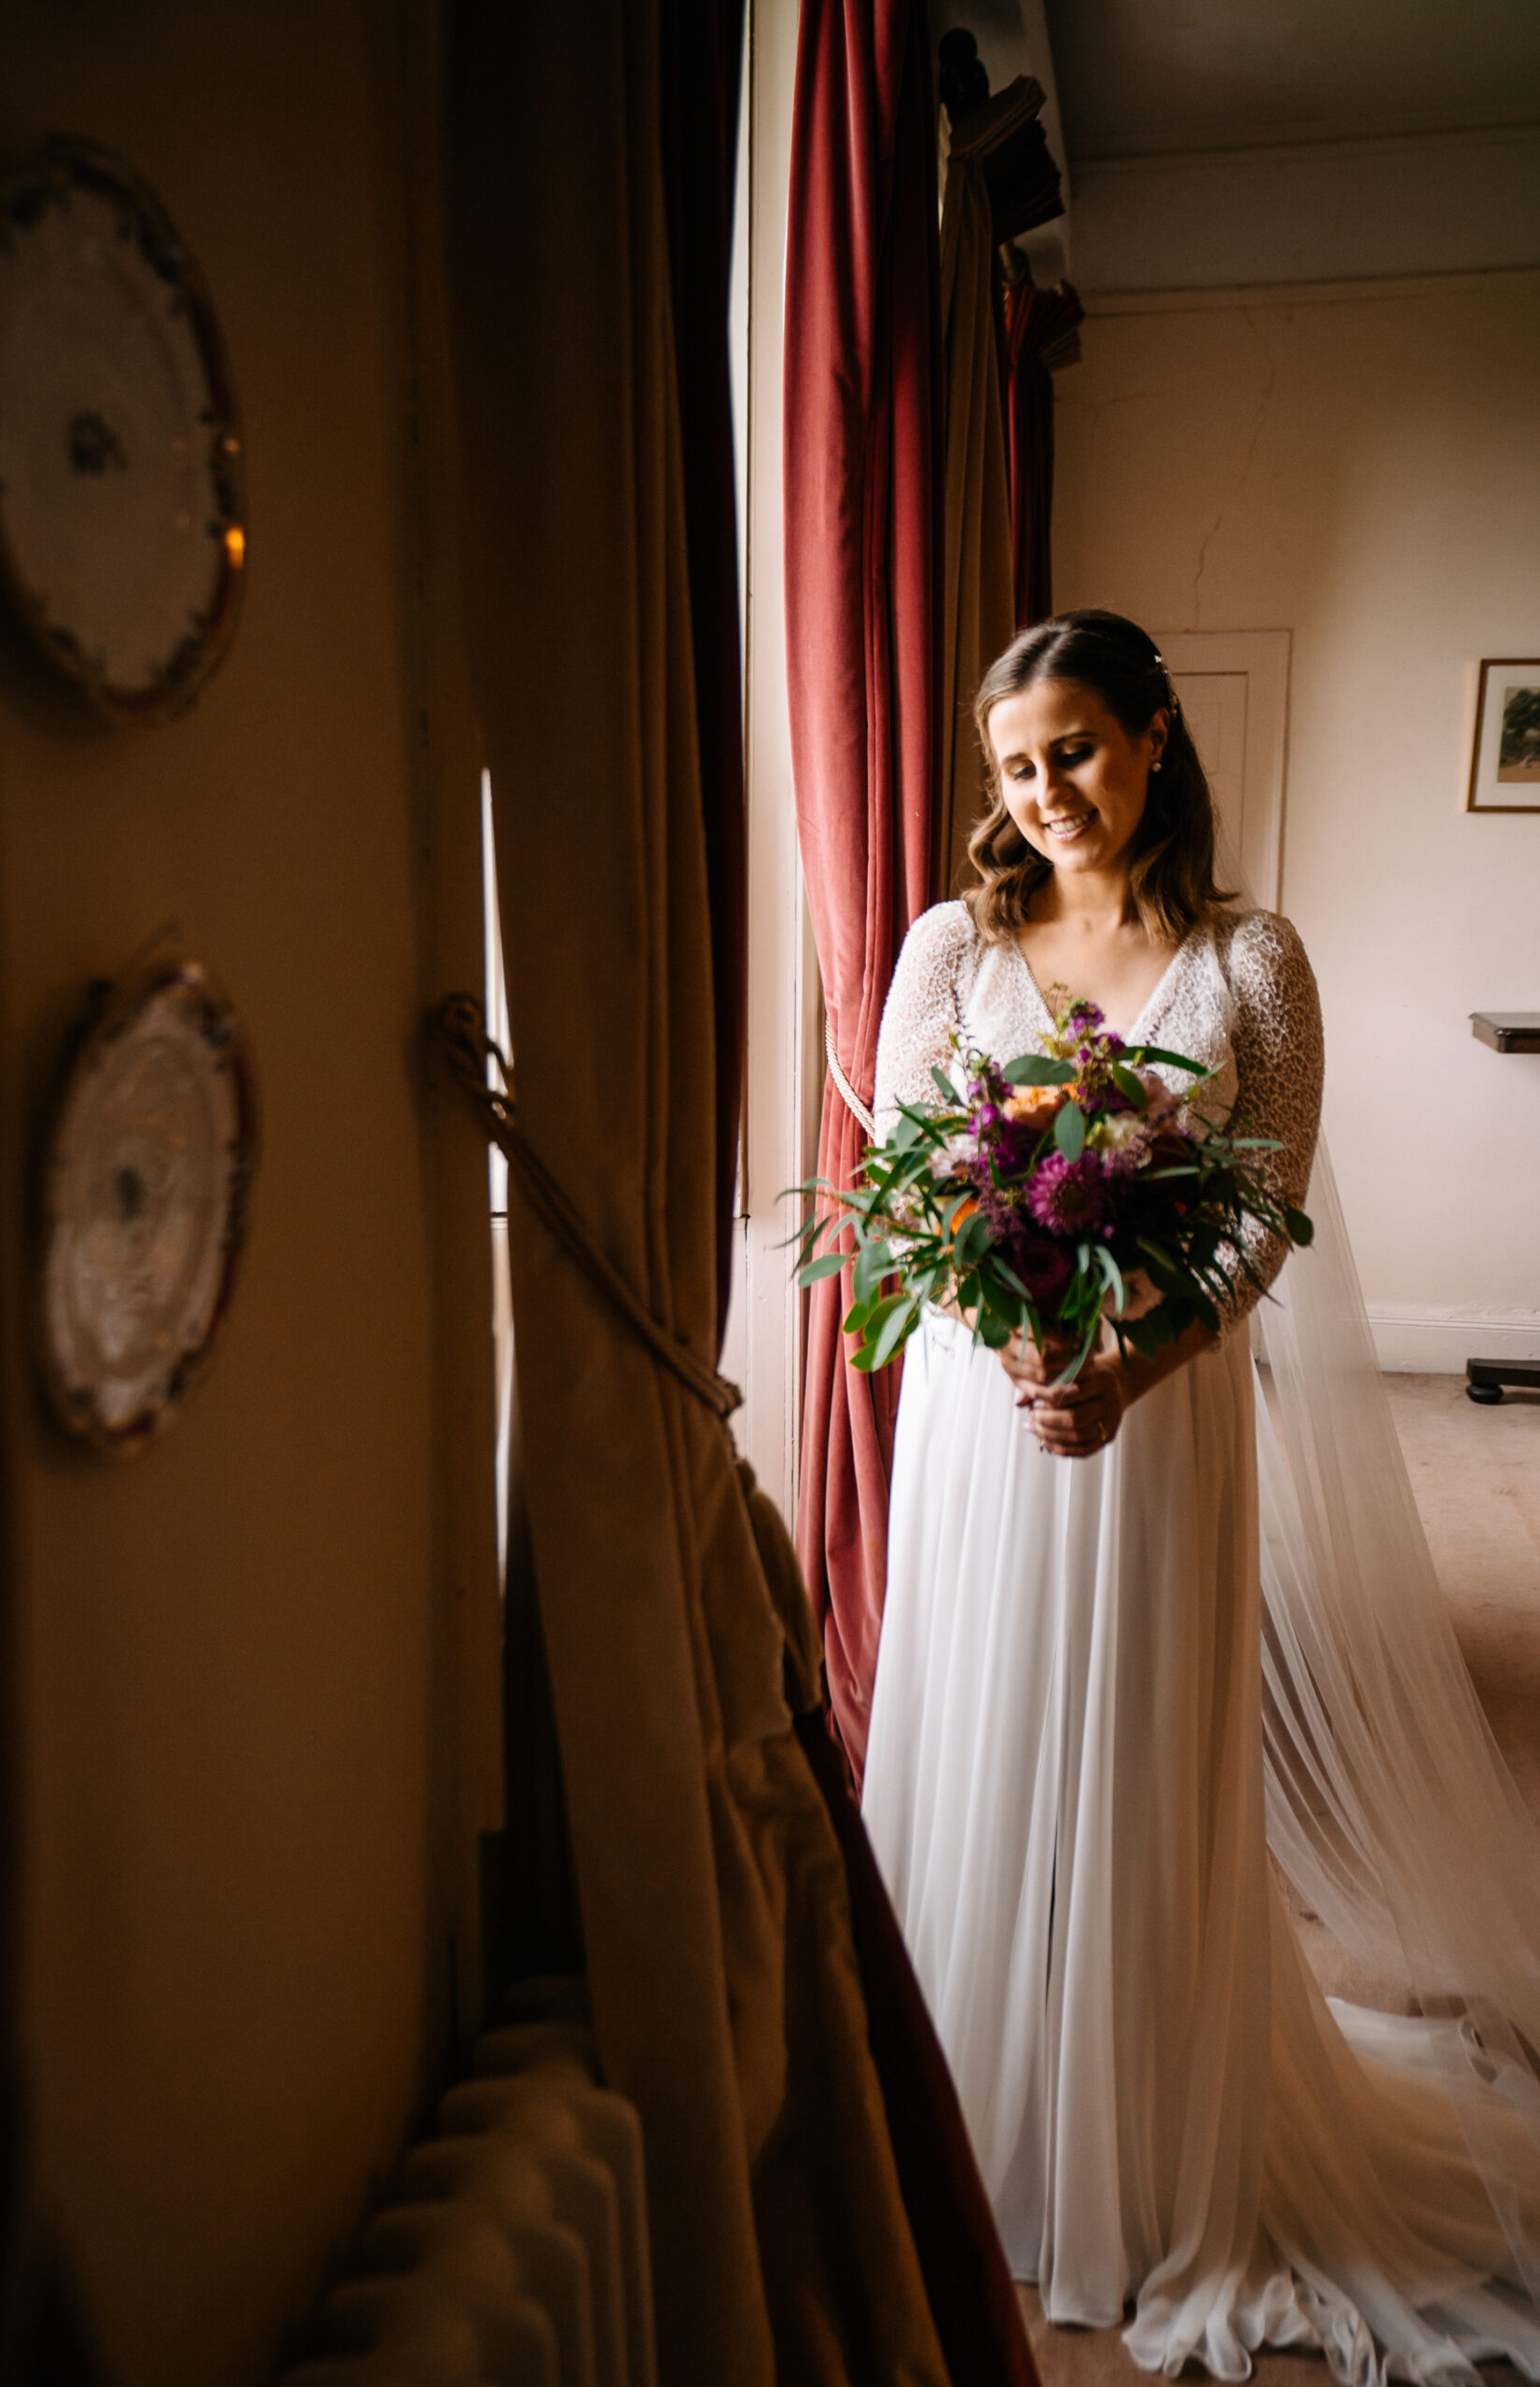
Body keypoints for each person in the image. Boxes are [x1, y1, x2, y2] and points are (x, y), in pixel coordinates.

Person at [860, 610, 1540, 2385]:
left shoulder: (1255, 960)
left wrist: (1127, 1373)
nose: (1046, 791)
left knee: (1136, 1755)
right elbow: (908, 1190)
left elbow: (1263, 1216)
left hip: (1159, 1421)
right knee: (991, 1735)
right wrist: (1010, 1346)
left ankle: (1141, 2140)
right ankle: (972, 2127)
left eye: (1075, 747)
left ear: (1155, 738)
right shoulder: (952, 946)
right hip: (984, 1415)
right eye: (1016, 765)